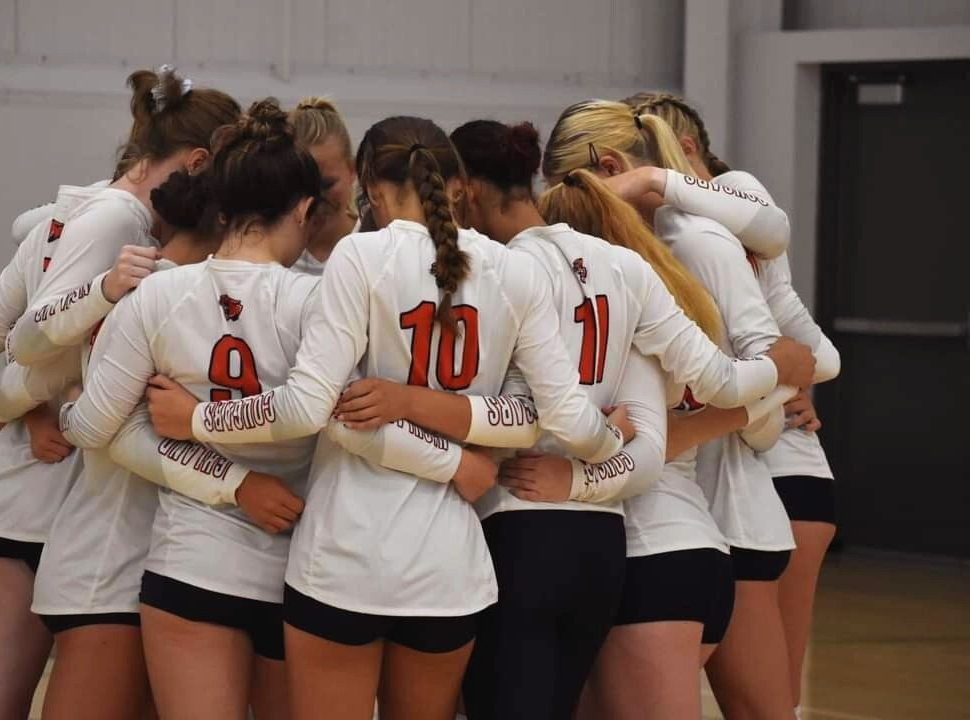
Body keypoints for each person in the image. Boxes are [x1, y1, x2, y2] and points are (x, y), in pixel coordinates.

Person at [145, 115, 634, 720]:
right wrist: (608, 439)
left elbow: (313, 408)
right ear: (457, 185)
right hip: (447, 571)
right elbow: (539, 418)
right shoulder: (516, 271)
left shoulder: (361, 255)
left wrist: (197, 420)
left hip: (342, 557)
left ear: (372, 189)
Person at [327, 118, 810, 720]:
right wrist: (777, 369)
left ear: (463, 191)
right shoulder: (627, 268)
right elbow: (702, 398)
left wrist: (412, 407)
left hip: (517, 531)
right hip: (610, 548)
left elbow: (524, 415)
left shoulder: (498, 272)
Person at [543, 99, 815, 719]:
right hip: (699, 533)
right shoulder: (644, 251)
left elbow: (794, 364)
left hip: (690, 533)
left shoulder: (682, 245)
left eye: (570, 185)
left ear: (609, 166)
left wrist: (775, 382)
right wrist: (773, 384)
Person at [0, 65, 239, 720]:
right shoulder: (124, 241)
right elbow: (24, 342)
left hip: (138, 558)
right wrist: (17, 400)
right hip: (104, 562)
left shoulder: (166, 267)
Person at [630, 91, 841, 718]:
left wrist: (775, 383)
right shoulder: (660, 240)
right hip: (728, 486)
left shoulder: (726, 207)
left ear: (682, 150)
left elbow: (813, 354)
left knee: (772, 701)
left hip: (773, 480)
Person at [0, 182, 103, 720]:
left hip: (103, 526)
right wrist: (23, 406)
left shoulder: (161, 252)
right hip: (19, 510)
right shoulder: (77, 226)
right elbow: (19, 344)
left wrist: (21, 404)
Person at [289, 97, 359, 274]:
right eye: (304, 187)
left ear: (352, 170)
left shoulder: (374, 244)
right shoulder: (272, 256)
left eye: (327, 184)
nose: (316, 198)